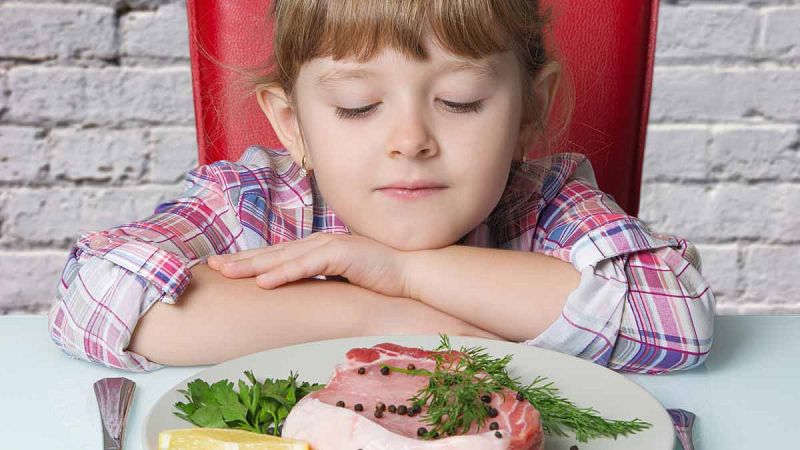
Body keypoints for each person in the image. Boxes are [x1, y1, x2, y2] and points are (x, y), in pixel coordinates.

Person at [47, 0, 715, 374]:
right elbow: (94, 294)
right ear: (293, 123)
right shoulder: (254, 201)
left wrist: (404, 271)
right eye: (358, 106)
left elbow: (678, 317)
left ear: (528, 112)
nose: (409, 140)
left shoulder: (543, 202)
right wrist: (389, 316)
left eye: (460, 100)